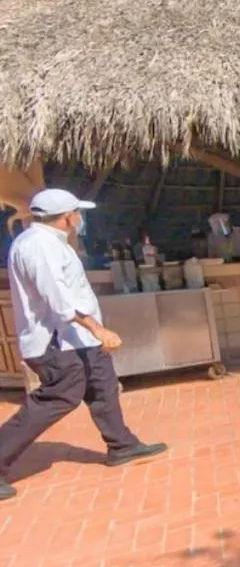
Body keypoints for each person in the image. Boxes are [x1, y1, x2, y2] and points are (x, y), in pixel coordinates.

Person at [0, 189, 167, 502]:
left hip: (77, 338)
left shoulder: (51, 243)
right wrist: (98, 329)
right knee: (60, 396)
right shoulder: (39, 247)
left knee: (102, 384)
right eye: (77, 212)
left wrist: (92, 334)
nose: (80, 218)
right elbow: (57, 300)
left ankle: (122, 445)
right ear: (66, 216)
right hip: (54, 340)